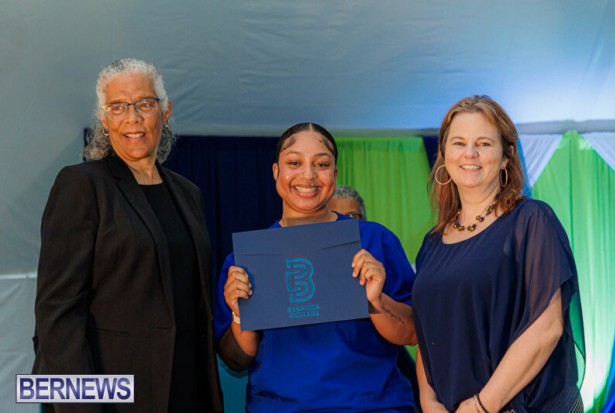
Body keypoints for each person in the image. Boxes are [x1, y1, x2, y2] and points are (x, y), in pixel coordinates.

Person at [32, 58, 224, 412]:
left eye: (144, 104)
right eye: (118, 107)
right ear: (104, 120)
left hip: (189, 390)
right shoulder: (81, 185)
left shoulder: (188, 193)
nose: (132, 118)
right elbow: (57, 314)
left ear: (165, 111)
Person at [215, 122, 417, 412]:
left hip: (371, 406)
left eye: (321, 164)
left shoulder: (374, 240)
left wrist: (375, 302)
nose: (308, 175)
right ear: (276, 172)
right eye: (294, 163)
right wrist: (239, 315)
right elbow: (235, 361)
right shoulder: (248, 259)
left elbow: (412, 333)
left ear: (334, 173)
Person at [412, 95, 585, 412]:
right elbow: (428, 331)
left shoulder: (531, 221)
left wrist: (482, 406)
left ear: (506, 156)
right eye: (459, 143)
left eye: (484, 144)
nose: (470, 153)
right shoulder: (431, 243)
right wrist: (428, 400)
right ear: (444, 154)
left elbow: (547, 328)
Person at [329, 185, 422, 412]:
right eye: (338, 216)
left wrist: (376, 299)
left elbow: (413, 329)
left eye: (352, 216)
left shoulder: (379, 244)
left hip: (376, 397)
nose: (346, 223)